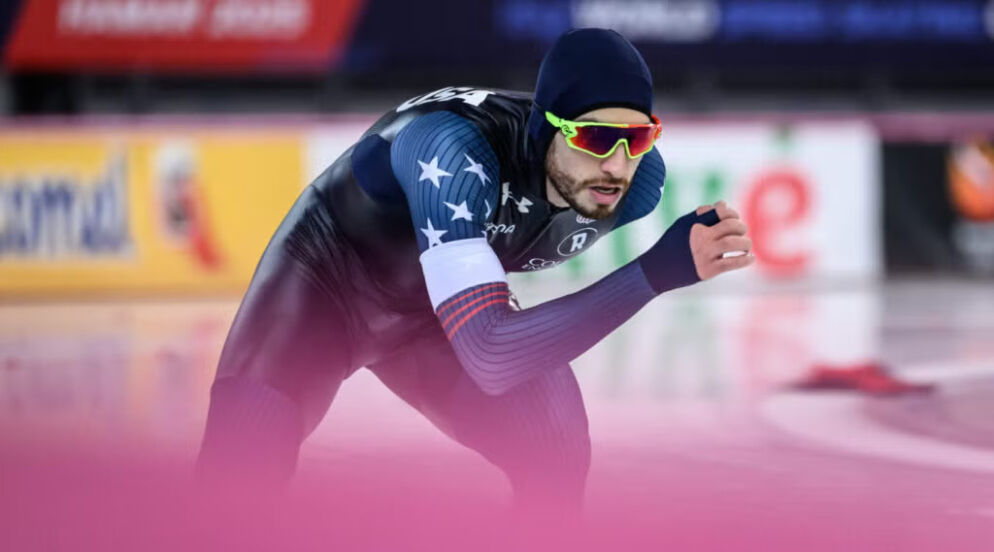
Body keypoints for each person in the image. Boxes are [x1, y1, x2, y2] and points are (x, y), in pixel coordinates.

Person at [196, 28, 753, 511]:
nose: (616, 165)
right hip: (329, 286)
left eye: (636, 138)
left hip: (438, 312)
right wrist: (652, 274)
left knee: (554, 437)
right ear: (546, 129)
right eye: (594, 137)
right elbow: (490, 354)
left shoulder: (638, 185)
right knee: (240, 472)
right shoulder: (452, 152)